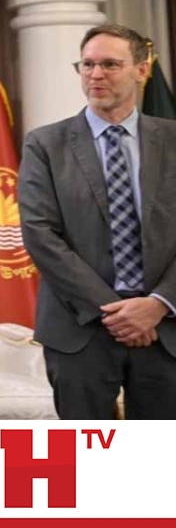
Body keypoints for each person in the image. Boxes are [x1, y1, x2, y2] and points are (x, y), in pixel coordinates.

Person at [19, 23, 176, 419]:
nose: (95, 75)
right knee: (88, 453)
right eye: (87, 64)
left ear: (142, 70)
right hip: (80, 329)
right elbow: (40, 235)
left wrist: (157, 304)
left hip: (165, 329)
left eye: (110, 64)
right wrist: (118, 311)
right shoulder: (45, 144)